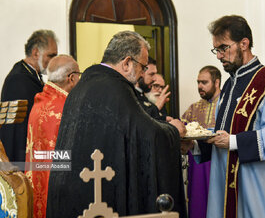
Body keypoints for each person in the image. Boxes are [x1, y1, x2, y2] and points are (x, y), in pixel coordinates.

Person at [46, 31, 187, 218]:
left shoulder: (83, 86)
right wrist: (174, 132)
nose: (143, 74)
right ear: (127, 63)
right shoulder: (115, 89)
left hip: (73, 193)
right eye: (143, 67)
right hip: (101, 196)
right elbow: (146, 134)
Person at [182, 15, 265, 218]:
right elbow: (222, 131)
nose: (219, 56)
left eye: (223, 48)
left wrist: (233, 141)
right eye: (216, 49)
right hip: (226, 186)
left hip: (257, 186)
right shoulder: (229, 85)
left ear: (244, 44)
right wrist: (195, 145)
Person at [24, 55, 80, 218]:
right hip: (58, 188)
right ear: (72, 78)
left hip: (37, 180)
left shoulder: (40, 102)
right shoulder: (66, 109)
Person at [0, 29, 58, 162]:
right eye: (51, 56)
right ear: (36, 53)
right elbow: (21, 128)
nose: (53, 61)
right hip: (20, 155)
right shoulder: (19, 79)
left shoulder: (31, 75)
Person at [181, 65, 221, 218]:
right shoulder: (194, 108)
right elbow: (182, 128)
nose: (199, 86)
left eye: (204, 82)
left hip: (218, 158)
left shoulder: (226, 105)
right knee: (198, 201)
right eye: (198, 82)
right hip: (197, 162)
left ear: (216, 83)